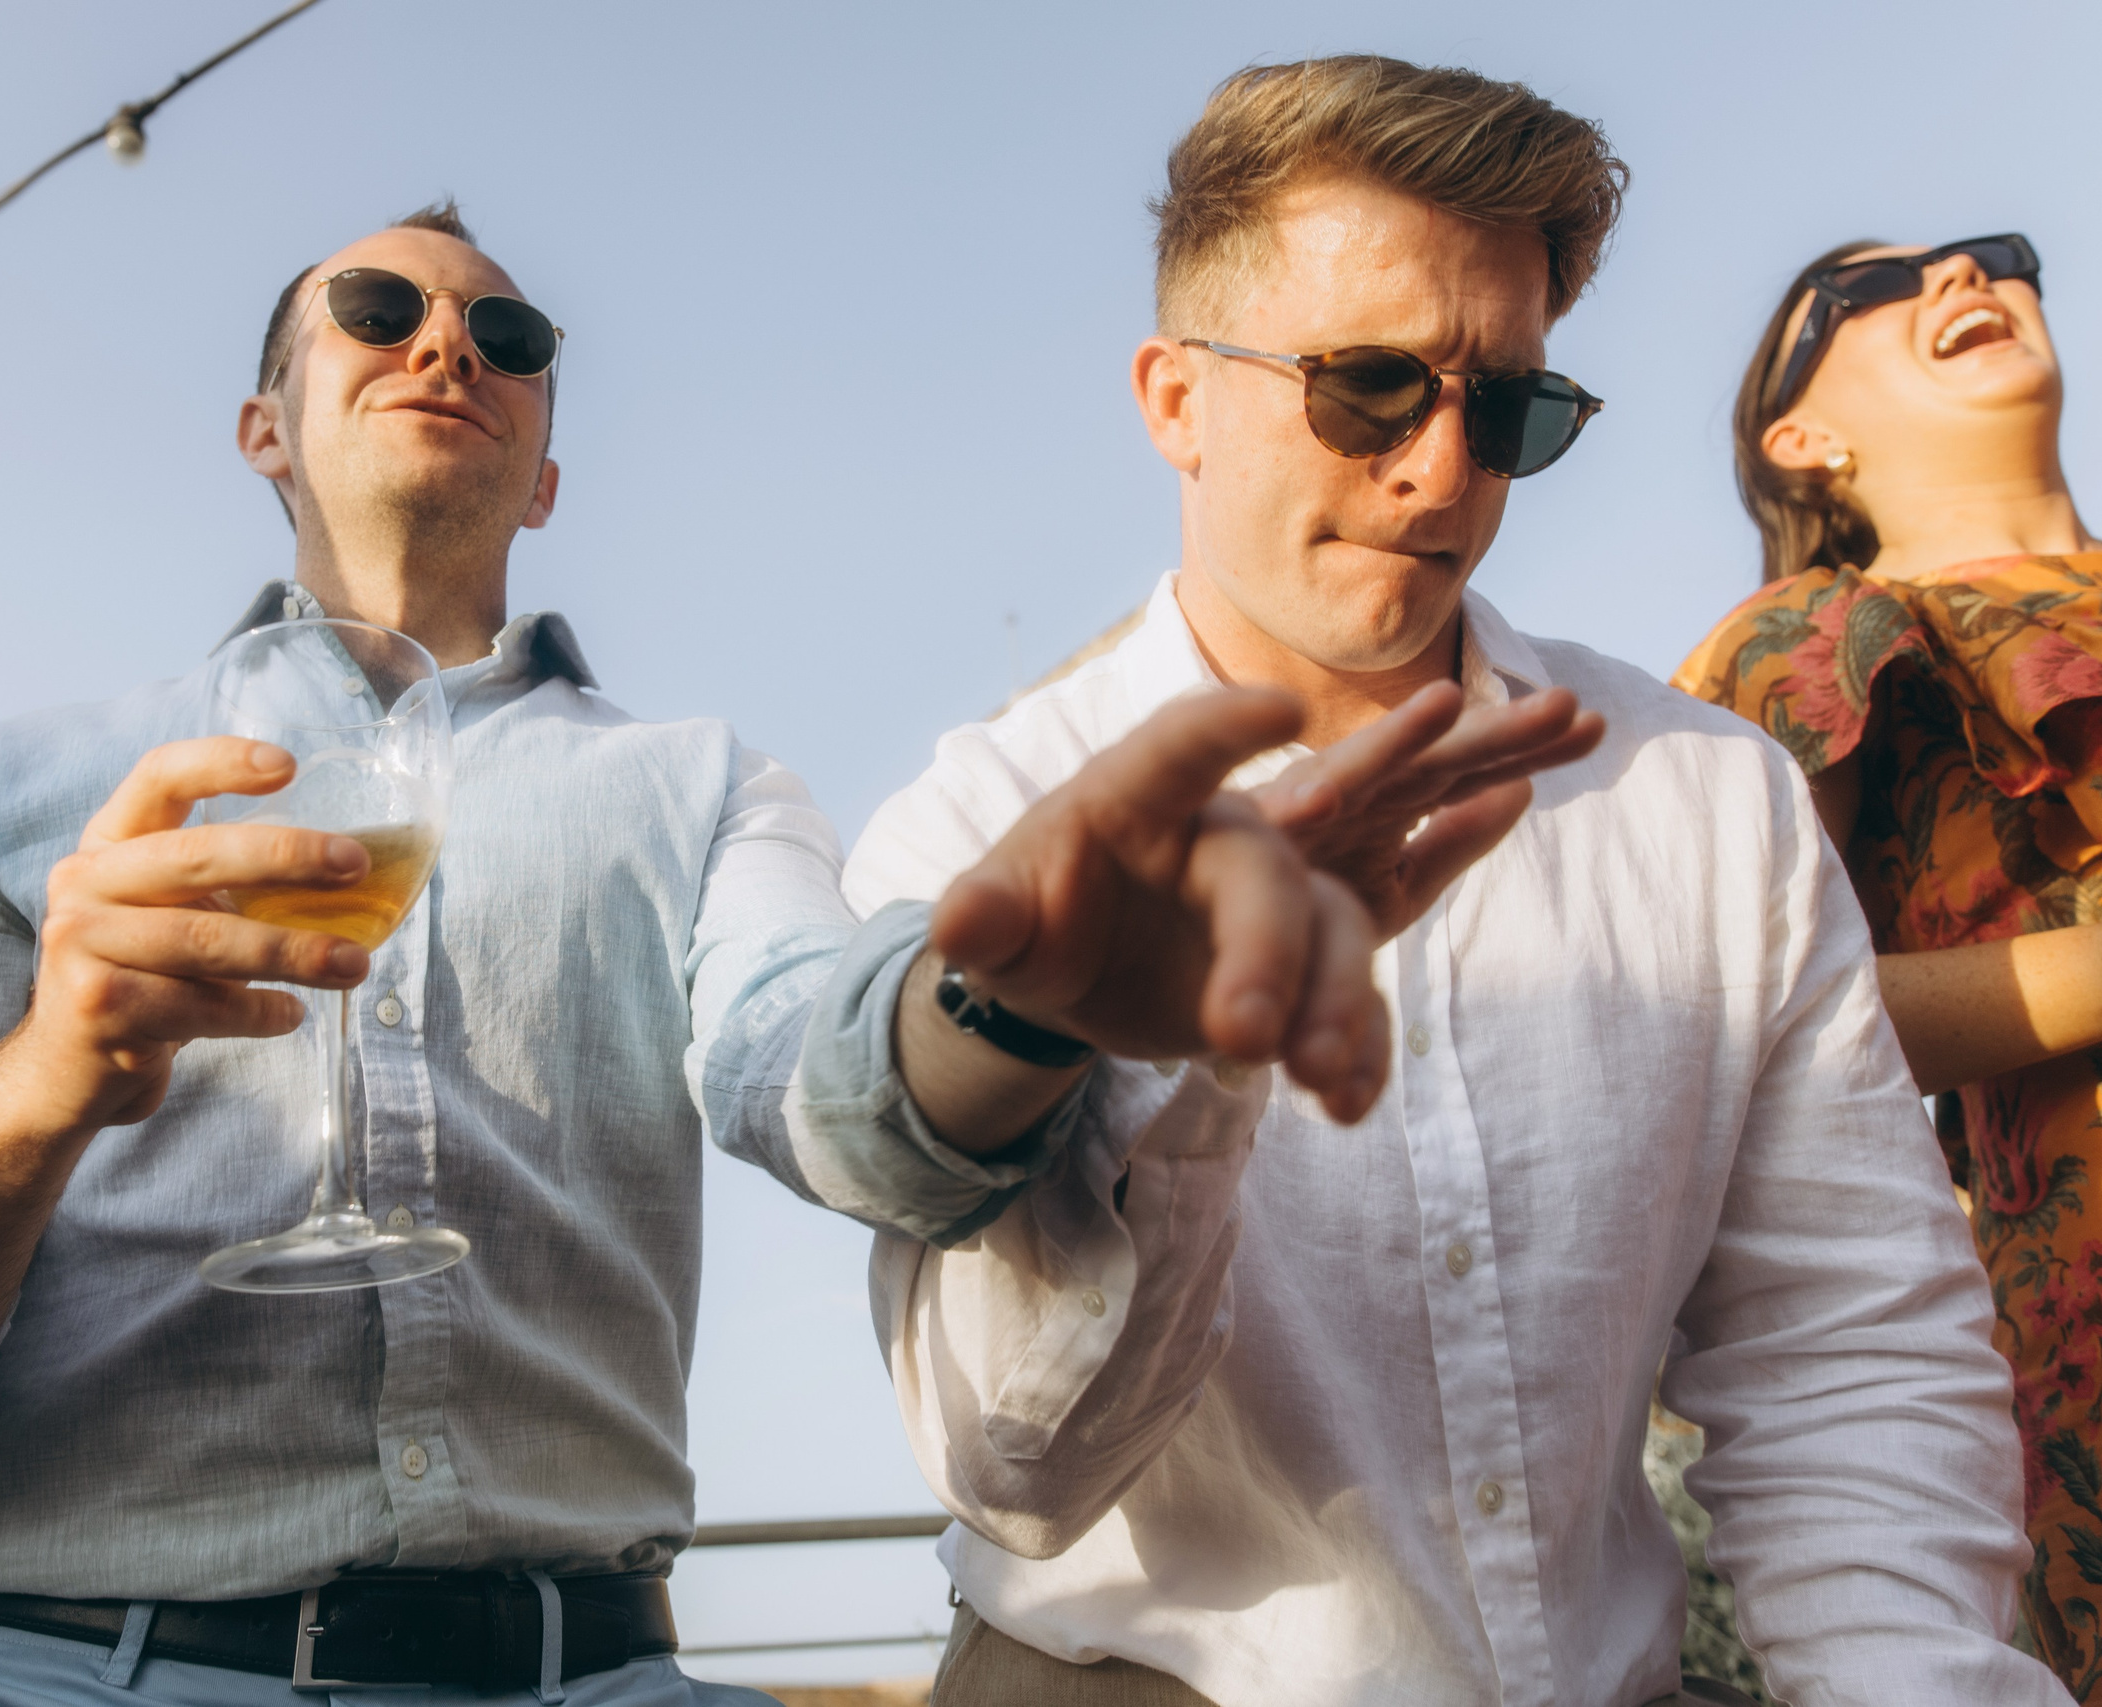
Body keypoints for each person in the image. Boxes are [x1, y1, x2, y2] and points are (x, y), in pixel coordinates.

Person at [0, 198, 1567, 1707]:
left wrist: (1028, 1002)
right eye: (375, 310)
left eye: (510, 341)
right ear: (264, 424)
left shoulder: (700, 785)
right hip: (59, 1674)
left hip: (589, 1674)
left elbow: (815, 1076)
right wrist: (36, 1093)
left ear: (550, 468)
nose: (448, 348)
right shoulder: (27, 792)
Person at [832, 56, 2067, 1707]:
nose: (1441, 472)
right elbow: (1022, 1470)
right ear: (1176, 396)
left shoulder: (1706, 799)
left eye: (1508, 409)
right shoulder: (981, 835)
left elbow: (1845, 1347)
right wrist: (1200, 1061)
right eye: (1366, 389)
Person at [1673, 230, 2102, 1694]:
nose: (1962, 281)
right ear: (1805, 438)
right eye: (1875, 290)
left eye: (1996, 253)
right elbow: (1732, 1020)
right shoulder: (1824, 636)